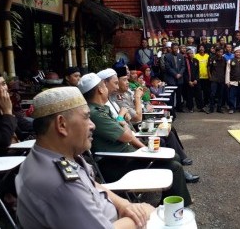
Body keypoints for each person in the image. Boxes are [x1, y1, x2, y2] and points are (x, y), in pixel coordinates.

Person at [16, 86, 155, 229]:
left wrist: (124, 204)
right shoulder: (59, 183)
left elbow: (91, 184)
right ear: (62, 124)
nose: (92, 125)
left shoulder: (48, 155)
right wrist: (144, 214)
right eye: (86, 117)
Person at [77, 73, 194, 204]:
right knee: (173, 167)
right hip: (116, 163)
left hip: (126, 156)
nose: (107, 88)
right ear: (100, 89)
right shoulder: (96, 114)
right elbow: (127, 135)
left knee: (174, 158)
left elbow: (126, 128)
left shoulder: (101, 109)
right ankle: (174, 206)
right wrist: (122, 121)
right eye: (104, 85)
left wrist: (122, 123)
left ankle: (171, 202)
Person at [225, 46, 240, 114]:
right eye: (236, 52)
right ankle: (232, 108)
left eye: (239, 52)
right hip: (233, 81)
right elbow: (227, 72)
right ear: (234, 53)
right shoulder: (230, 61)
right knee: (231, 96)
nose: (238, 53)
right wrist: (227, 81)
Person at [164, 43, 185, 112]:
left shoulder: (181, 56)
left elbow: (183, 66)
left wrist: (180, 74)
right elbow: (168, 67)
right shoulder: (167, 56)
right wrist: (175, 74)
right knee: (172, 95)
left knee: (179, 94)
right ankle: (172, 110)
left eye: (177, 48)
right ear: (171, 48)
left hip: (179, 78)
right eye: (174, 48)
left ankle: (179, 108)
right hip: (171, 79)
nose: (176, 50)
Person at [184, 48, 206, 113]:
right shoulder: (185, 61)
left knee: (199, 94)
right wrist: (189, 81)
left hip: (196, 80)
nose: (191, 54)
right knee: (189, 95)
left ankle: (201, 107)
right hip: (189, 81)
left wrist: (196, 79)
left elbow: (197, 71)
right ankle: (190, 108)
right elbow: (184, 73)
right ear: (187, 55)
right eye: (189, 53)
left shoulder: (196, 60)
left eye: (192, 53)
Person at [208, 47, 227, 113]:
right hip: (214, 79)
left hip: (221, 79)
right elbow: (209, 68)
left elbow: (225, 70)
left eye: (221, 52)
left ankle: (219, 108)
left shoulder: (224, 59)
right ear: (216, 52)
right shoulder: (212, 58)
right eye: (219, 52)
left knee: (220, 94)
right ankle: (211, 108)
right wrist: (210, 77)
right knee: (212, 94)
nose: (220, 53)